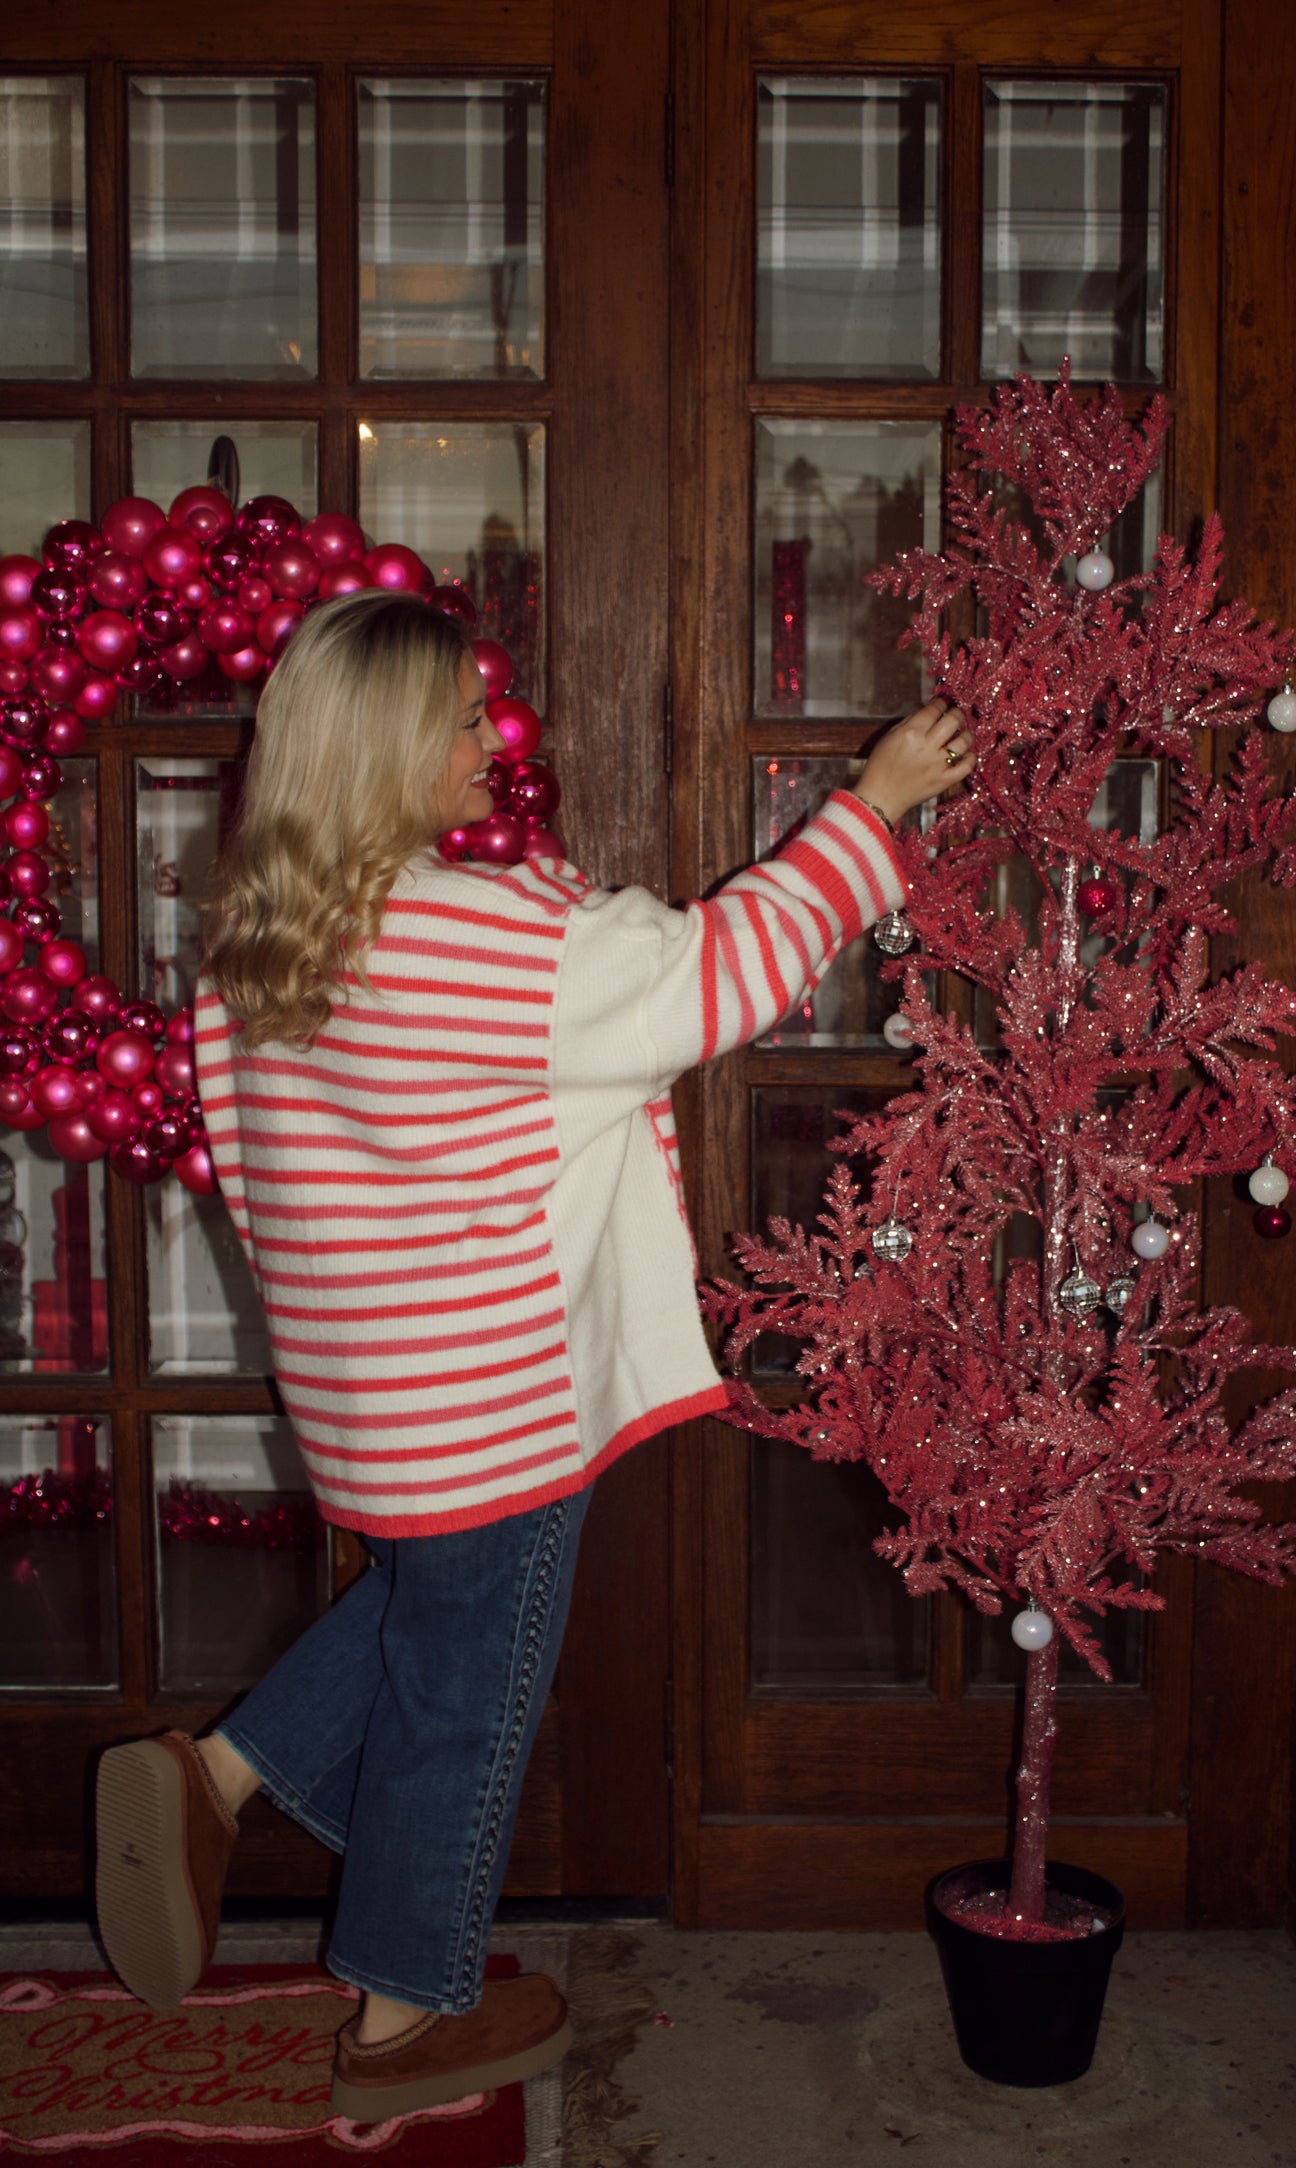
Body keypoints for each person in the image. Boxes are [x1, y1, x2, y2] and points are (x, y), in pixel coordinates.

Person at [92, 589, 971, 2122]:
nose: (483, 736)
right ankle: (398, 2018)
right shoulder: (477, 934)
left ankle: (213, 1781)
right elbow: (717, 978)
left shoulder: (256, 950)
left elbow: (264, 1165)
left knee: (423, 1627)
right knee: (463, 1695)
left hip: (374, 1402)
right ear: (377, 753)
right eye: (451, 719)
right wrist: (873, 808)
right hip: (496, 1404)